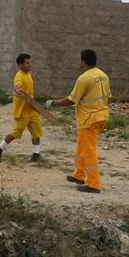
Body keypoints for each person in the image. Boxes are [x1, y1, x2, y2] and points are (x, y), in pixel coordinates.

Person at [45, 49, 111, 194]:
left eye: (79, 60)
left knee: (89, 150)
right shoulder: (103, 76)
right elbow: (108, 97)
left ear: (83, 62)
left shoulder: (84, 78)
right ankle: (79, 174)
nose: (79, 63)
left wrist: (54, 103)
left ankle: (93, 184)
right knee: (82, 146)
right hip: (101, 116)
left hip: (89, 119)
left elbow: (71, 100)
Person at [0, 53, 42, 163]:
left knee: (36, 131)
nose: (30, 65)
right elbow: (17, 85)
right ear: (20, 65)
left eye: (30, 62)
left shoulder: (28, 75)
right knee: (17, 131)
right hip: (22, 110)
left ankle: (36, 154)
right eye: (27, 63)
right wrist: (17, 90)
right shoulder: (19, 75)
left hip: (31, 108)